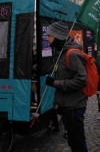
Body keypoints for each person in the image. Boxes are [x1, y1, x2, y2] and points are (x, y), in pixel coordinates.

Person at [45, 21, 88, 152]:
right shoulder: (61, 53)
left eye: (49, 36)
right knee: (73, 141)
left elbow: (82, 80)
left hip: (74, 106)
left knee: (78, 143)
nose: (47, 39)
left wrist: (55, 83)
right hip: (68, 105)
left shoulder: (72, 54)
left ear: (57, 36)